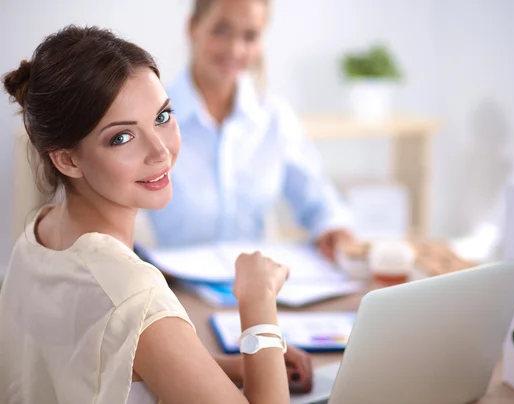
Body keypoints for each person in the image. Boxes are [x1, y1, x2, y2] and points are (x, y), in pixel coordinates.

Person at [0, 25, 308, 404]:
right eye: (122, 137)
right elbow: (130, 318)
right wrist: (258, 301)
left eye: (162, 117)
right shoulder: (135, 294)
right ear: (66, 159)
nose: (160, 151)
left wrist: (237, 365)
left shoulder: (39, 234)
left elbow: (93, 359)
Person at [145, 0, 354, 261]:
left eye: (250, 36)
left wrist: (334, 228)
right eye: (221, 30)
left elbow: (321, 204)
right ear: (192, 27)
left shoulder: (274, 118)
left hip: (259, 287)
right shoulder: (151, 120)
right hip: (175, 292)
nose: (235, 49)